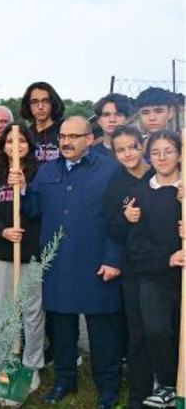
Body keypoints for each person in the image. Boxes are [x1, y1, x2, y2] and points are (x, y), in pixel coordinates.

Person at [21, 116, 122, 408]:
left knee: (103, 332)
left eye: (74, 136)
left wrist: (114, 258)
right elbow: (33, 210)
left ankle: (108, 387)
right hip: (59, 263)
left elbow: (119, 220)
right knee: (62, 330)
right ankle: (65, 381)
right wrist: (22, 190)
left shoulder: (110, 170)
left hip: (97, 262)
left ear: (89, 139)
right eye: (62, 137)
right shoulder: (46, 171)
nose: (65, 142)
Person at [0, 121, 44, 392]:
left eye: (20, 141)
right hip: (3, 253)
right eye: (9, 141)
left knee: (32, 312)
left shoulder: (39, 173)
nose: (15, 146)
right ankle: (6, 360)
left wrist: (23, 188)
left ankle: (32, 365)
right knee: (5, 311)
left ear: (28, 145)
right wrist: (4, 231)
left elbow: (39, 210)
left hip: (31, 253)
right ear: (3, 146)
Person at [125, 130, 183, 408]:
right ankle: (169, 384)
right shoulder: (141, 195)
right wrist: (168, 258)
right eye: (156, 152)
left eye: (168, 151)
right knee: (157, 329)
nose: (162, 157)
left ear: (180, 155)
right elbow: (136, 247)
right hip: (155, 275)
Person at [104, 125, 153, 409]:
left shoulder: (161, 174)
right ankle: (140, 393)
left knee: (166, 329)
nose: (128, 153)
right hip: (134, 267)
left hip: (169, 263)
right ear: (113, 152)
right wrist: (125, 218)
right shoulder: (116, 185)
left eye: (133, 147)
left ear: (142, 145)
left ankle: (171, 385)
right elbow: (113, 229)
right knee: (138, 331)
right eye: (120, 149)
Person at [20, 82, 65, 165]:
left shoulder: (65, 130)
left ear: (53, 103)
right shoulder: (26, 134)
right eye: (34, 102)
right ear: (28, 105)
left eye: (45, 101)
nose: (40, 107)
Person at [91, 94, 131, 158]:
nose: (112, 120)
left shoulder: (138, 152)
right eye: (106, 115)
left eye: (118, 114)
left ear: (127, 119)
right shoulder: (91, 155)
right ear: (99, 120)